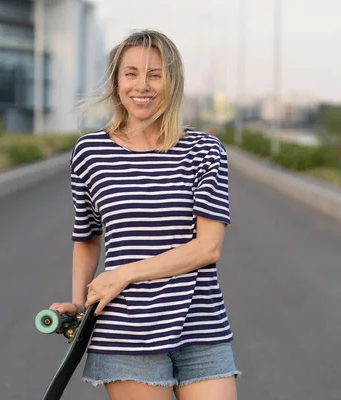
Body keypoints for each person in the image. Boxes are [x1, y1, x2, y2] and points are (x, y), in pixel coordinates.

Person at [50, 29, 240, 400]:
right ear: (117, 81)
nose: (143, 86)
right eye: (131, 73)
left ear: (172, 82)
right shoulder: (90, 153)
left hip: (201, 328)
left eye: (155, 75)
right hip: (125, 333)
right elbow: (87, 238)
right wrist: (77, 302)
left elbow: (208, 248)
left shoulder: (204, 151)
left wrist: (122, 274)